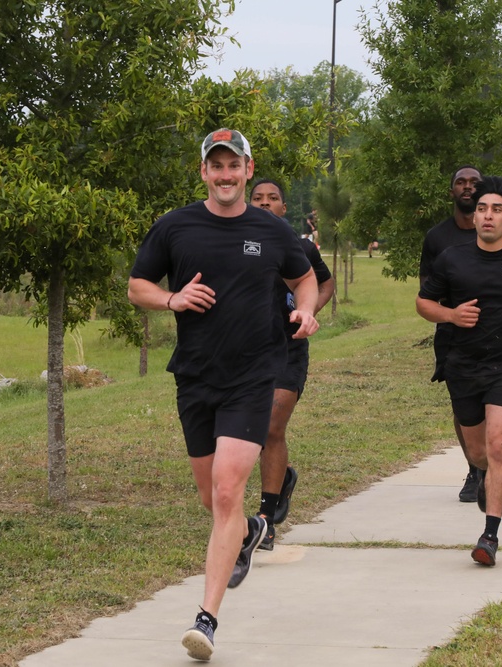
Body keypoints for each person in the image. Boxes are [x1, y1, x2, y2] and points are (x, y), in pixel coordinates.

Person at [128, 129, 319, 662]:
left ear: (248, 169)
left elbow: (303, 278)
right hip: (195, 376)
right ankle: (255, 529)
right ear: (204, 172)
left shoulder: (271, 229)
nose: (226, 175)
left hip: (254, 374)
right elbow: (136, 286)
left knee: (229, 491)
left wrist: (306, 311)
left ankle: (206, 620)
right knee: (213, 501)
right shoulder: (175, 226)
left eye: (234, 165)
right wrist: (172, 298)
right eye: (217, 166)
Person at [416, 176, 502, 567]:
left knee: (498, 445)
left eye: (496, 209)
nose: (488, 215)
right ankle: (483, 476)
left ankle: (489, 536)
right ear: (474, 217)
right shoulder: (452, 259)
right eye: (482, 209)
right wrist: (450, 314)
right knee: (479, 452)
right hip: (463, 366)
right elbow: (423, 303)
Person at [419, 166, 502, 504]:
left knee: (497, 414)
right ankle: (475, 469)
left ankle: (492, 462)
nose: (467, 188)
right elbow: (426, 293)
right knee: (463, 408)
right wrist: (451, 314)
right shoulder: (437, 238)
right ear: (451, 191)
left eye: (474, 184)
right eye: (460, 183)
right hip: (455, 337)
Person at [248, 178, 335, 550]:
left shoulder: (299, 248)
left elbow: (325, 283)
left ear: (285, 208)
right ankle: (281, 480)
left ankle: (266, 519)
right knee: (246, 432)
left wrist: (308, 310)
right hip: (245, 352)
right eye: (258, 198)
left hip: (288, 348)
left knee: (270, 426)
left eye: (273, 199)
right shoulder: (236, 246)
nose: (265, 204)